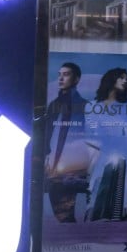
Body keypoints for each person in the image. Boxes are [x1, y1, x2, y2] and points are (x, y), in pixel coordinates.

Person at [83, 67, 127, 221]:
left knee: (124, 198)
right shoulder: (91, 106)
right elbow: (93, 134)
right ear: (111, 79)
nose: (125, 81)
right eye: (121, 77)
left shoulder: (126, 108)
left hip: (124, 158)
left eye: (126, 79)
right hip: (102, 157)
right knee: (97, 197)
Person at [44, 62, 89, 223]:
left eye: (66, 74)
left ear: (76, 79)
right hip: (54, 168)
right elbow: (46, 134)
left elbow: (91, 139)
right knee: (61, 215)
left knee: (68, 214)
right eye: (59, 74)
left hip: (75, 168)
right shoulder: (54, 105)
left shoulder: (85, 106)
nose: (61, 78)